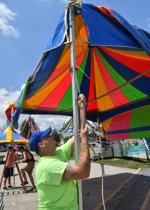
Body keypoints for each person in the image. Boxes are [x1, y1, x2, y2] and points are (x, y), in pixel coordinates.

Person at [29, 94, 90, 210]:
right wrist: (85, 139)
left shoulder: (58, 152)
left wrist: (81, 109)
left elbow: (78, 133)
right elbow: (84, 172)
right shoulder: (47, 165)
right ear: (41, 145)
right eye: (47, 136)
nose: (51, 135)